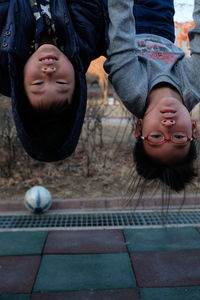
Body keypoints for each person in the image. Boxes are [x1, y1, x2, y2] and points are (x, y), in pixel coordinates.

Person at [104, 0, 200, 191]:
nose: (168, 126)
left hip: (128, 20)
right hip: (162, 20)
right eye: (179, 137)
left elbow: (121, 23)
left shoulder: (132, 89)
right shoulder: (194, 84)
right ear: (194, 129)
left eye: (156, 136)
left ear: (139, 128)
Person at [0, 0, 108, 162]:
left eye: (38, 83)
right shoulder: (91, 32)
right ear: (77, 82)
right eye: (61, 83)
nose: (49, 72)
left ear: (21, 82)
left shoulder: (4, 37)